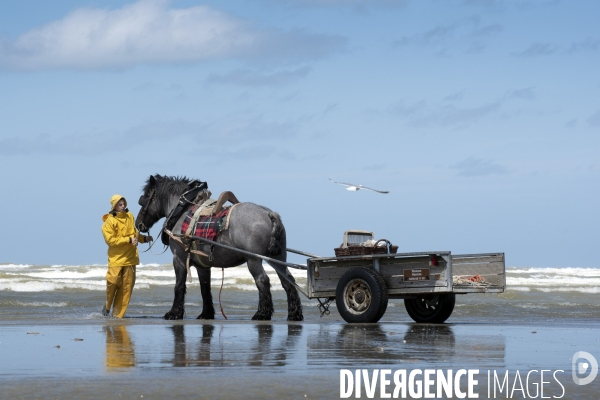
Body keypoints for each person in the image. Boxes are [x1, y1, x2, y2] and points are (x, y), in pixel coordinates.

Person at [101, 194, 152, 318]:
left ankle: (118, 316)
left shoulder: (130, 216)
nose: (123, 206)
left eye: (124, 204)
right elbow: (111, 240)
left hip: (130, 259)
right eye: (120, 204)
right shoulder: (109, 222)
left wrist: (144, 239)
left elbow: (135, 235)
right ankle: (107, 305)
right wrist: (128, 240)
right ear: (114, 206)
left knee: (126, 289)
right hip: (116, 259)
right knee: (112, 283)